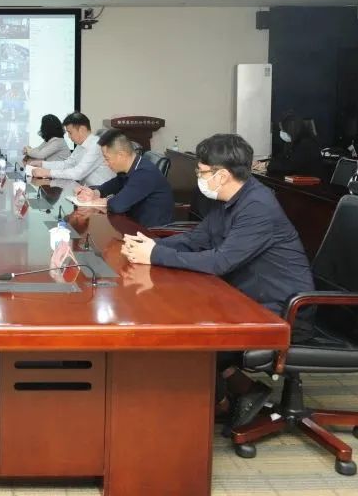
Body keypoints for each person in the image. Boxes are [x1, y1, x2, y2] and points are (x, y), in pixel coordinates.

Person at [121, 133, 315, 426]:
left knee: (188, 332)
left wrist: (156, 255)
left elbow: (220, 261)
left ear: (222, 175)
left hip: (282, 310)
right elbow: (197, 239)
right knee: (181, 314)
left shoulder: (258, 206)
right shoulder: (231, 199)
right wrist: (148, 245)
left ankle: (219, 403)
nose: (198, 177)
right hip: (248, 296)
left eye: (201, 172)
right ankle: (240, 389)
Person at [75, 130, 175, 227]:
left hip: (151, 232)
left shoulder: (145, 173)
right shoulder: (133, 166)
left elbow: (118, 205)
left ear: (121, 155)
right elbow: (116, 183)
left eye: (107, 158)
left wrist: (95, 202)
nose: (105, 163)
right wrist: (96, 193)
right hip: (132, 223)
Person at [26, 112, 114, 185]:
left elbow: (78, 173)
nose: (68, 136)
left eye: (70, 132)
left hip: (102, 193)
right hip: (88, 190)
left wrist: (48, 173)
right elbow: (67, 164)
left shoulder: (96, 145)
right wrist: (42, 164)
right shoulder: (81, 145)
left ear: (82, 130)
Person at [257, 113, 323, 177]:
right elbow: (282, 158)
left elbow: (290, 166)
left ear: (291, 130)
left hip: (308, 181)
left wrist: (267, 165)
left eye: (283, 130)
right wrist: (263, 162)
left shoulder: (306, 144)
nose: (281, 133)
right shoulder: (292, 143)